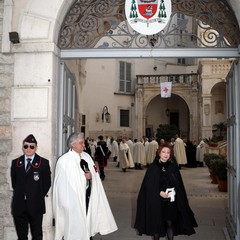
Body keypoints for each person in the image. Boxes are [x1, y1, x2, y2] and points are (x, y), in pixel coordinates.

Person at [53, 132, 117, 240]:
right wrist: (65, 204)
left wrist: (91, 177)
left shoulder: (87, 156)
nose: (84, 145)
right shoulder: (64, 161)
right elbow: (60, 185)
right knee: (74, 228)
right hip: (73, 201)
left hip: (88, 197)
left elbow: (95, 176)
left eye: (83, 143)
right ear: (73, 145)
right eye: (81, 143)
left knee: (87, 221)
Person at [134, 143, 197, 240]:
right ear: (159, 153)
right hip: (156, 201)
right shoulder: (153, 167)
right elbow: (149, 186)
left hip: (170, 201)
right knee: (156, 225)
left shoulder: (173, 167)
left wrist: (174, 191)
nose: (166, 154)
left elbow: (179, 184)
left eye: (168, 152)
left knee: (170, 223)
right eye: (163, 152)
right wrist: (159, 192)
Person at [10, 134, 51, 240]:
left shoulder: (44, 163)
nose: (28, 149)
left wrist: (36, 195)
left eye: (31, 146)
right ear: (23, 147)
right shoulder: (15, 163)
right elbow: (15, 183)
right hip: (19, 205)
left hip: (36, 205)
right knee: (21, 235)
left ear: (36, 147)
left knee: (37, 235)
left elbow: (47, 184)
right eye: (26, 146)